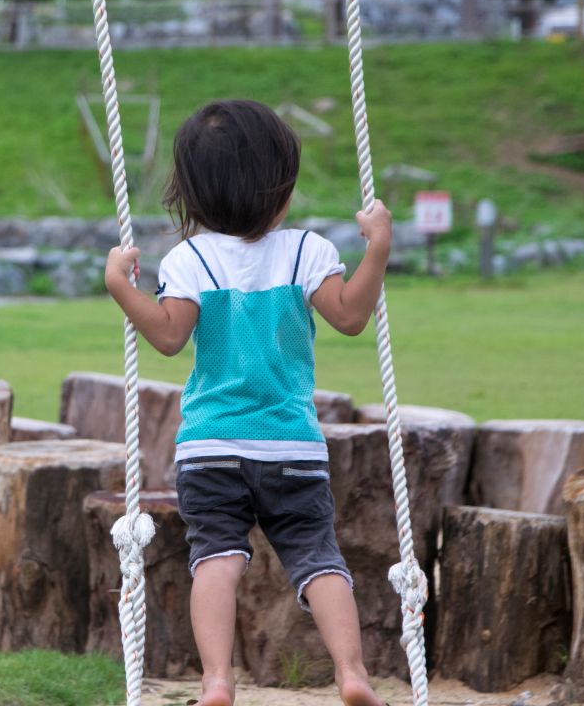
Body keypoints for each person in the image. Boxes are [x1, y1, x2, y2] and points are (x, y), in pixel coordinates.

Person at [103, 99, 391, 706]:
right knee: (317, 558)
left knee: (215, 560)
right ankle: (352, 673)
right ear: (280, 187)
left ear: (194, 194)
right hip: (291, 445)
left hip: (210, 447)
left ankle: (216, 681)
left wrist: (118, 288)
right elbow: (351, 317)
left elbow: (166, 336)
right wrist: (378, 249)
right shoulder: (306, 252)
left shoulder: (190, 260)